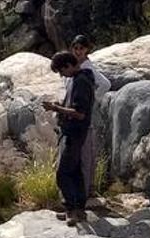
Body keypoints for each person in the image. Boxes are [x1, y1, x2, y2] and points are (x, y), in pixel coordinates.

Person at [45, 51, 95, 226]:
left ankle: (71, 210)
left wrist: (55, 108)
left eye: (61, 71)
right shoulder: (81, 79)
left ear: (68, 65)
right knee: (75, 172)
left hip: (74, 132)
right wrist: (60, 107)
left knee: (63, 173)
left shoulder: (81, 82)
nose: (61, 75)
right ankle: (80, 210)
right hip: (76, 132)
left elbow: (80, 113)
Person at [68, 35, 111, 196]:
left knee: (85, 154)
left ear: (87, 50)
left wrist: (92, 98)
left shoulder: (87, 67)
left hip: (84, 116)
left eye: (81, 48)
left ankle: (85, 192)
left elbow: (106, 84)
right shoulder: (74, 66)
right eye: (76, 48)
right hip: (75, 115)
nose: (78, 51)